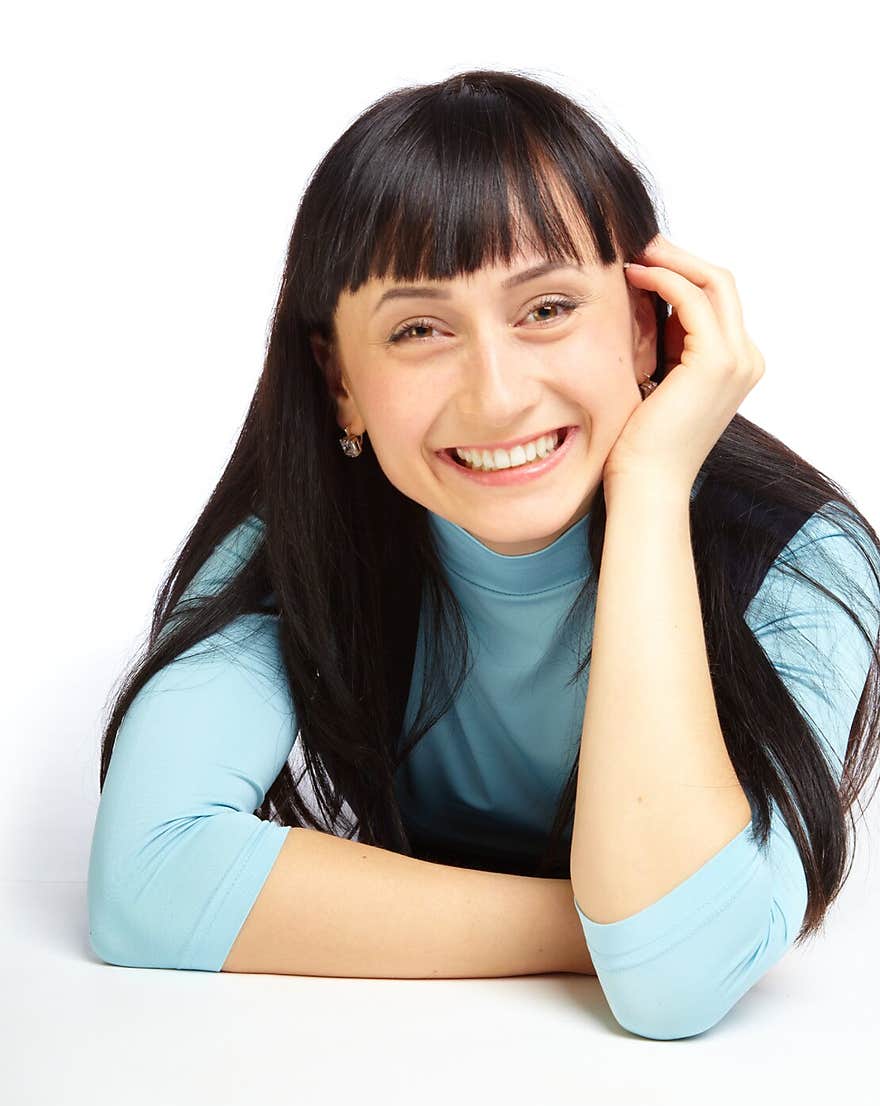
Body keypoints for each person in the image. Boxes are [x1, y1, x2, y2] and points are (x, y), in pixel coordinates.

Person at [87, 70, 880, 1040]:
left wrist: (653, 486)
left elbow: (670, 990)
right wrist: (619, 924)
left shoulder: (802, 561)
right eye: (420, 329)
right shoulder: (303, 544)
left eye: (546, 309)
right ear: (339, 382)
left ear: (646, 326)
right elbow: (147, 879)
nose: (496, 395)